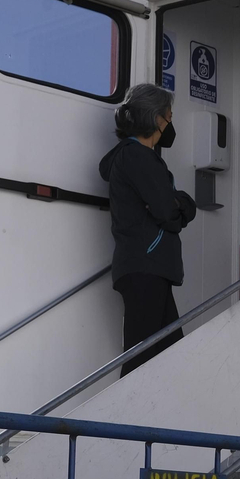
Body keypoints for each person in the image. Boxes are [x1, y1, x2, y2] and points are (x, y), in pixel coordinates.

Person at [99, 84, 196, 376]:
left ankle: (158, 421)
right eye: (169, 116)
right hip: (145, 266)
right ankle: (124, 420)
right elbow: (168, 211)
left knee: (168, 357)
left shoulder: (140, 158)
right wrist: (181, 207)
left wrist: (177, 206)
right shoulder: (138, 157)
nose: (170, 123)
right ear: (157, 119)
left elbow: (167, 207)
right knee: (141, 359)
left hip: (150, 268)